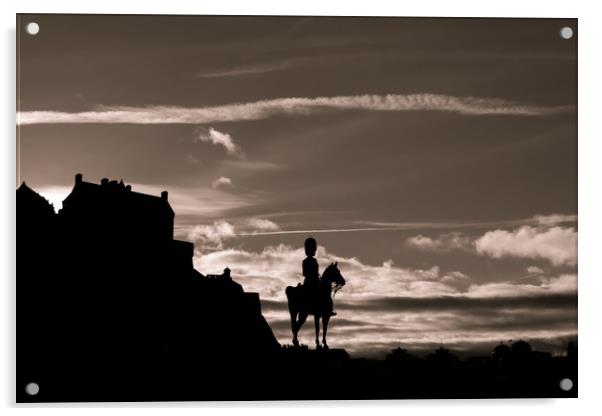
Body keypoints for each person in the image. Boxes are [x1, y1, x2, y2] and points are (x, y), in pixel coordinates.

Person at [302, 237, 336, 316]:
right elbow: (305, 273)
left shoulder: (314, 260)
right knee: (322, 293)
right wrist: (313, 276)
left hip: (315, 280)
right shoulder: (306, 261)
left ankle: (328, 308)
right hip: (309, 282)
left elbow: (316, 272)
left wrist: (317, 276)